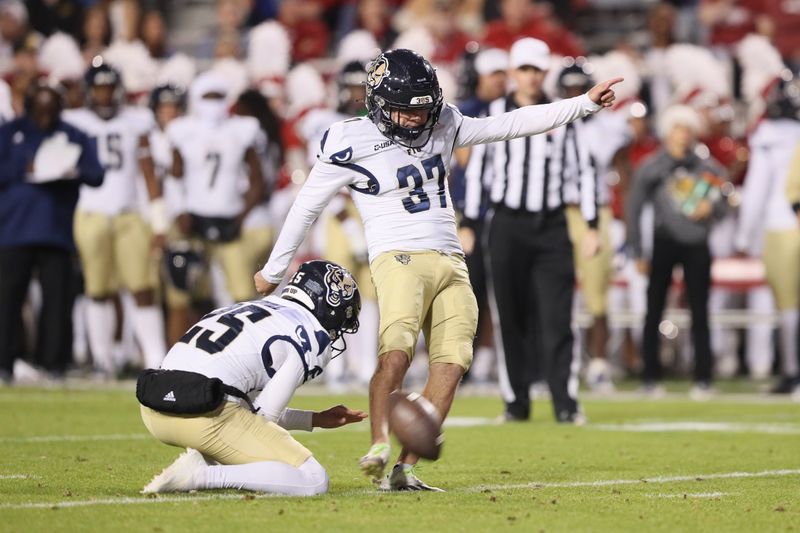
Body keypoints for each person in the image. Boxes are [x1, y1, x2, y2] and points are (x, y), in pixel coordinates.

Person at [253, 48, 621, 491]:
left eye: (423, 107)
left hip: (451, 259)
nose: (417, 117)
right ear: (378, 102)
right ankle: (377, 445)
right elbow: (306, 207)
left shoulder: (444, 120)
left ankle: (405, 470)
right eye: (406, 109)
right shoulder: (348, 140)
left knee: (451, 364)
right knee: (397, 353)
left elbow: (510, 124)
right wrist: (274, 267)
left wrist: (582, 103)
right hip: (398, 257)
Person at [140, 260, 367, 496]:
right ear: (328, 307)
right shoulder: (312, 335)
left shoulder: (249, 307)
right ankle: (202, 474)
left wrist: (314, 419)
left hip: (153, 405)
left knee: (238, 421)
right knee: (313, 479)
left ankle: (206, 461)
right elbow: (262, 416)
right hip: (203, 417)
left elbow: (247, 411)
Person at [462, 39, 600, 424]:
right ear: (512, 72)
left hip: (552, 225)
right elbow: (478, 173)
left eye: (537, 70)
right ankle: (515, 401)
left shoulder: (563, 112)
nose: (531, 76)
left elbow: (585, 170)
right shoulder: (493, 112)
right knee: (511, 315)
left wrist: (591, 225)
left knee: (558, 317)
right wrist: (470, 223)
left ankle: (566, 401)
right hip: (507, 224)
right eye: (524, 69)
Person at [64, 60, 167, 375]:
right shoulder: (74, 121)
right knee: (97, 289)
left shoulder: (135, 120)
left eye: (109, 89)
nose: (105, 96)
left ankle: (156, 360)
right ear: (88, 92)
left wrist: (159, 220)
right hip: (90, 213)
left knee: (142, 288)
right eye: (99, 89)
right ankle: (103, 361)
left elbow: (149, 173)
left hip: (129, 214)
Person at [0, 82, 104, 383]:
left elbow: (97, 174)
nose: (45, 115)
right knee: (8, 300)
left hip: (56, 231)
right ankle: (5, 362)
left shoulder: (73, 134)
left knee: (58, 300)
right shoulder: (9, 132)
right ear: (30, 106)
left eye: (51, 109)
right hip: (13, 230)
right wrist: (25, 168)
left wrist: (74, 172)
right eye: (40, 108)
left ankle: (54, 363)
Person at [626, 105, 728, 399]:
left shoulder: (707, 167)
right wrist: (637, 250)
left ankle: (704, 377)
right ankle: (650, 377)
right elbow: (634, 208)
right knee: (654, 307)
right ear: (667, 132)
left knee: (700, 309)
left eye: (687, 129)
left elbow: (725, 197)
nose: (682, 136)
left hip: (697, 242)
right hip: (664, 240)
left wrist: (713, 207)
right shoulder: (652, 166)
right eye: (677, 129)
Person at [167, 70, 265, 304]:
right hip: (194, 218)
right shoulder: (183, 130)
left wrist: (242, 215)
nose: (212, 104)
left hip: (230, 219)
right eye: (207, 97)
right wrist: (180, 210)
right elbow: (174, 176)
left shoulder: (242, 128)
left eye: (217, 97)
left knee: (242, 295)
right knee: (189, 292)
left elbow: (257, 179)